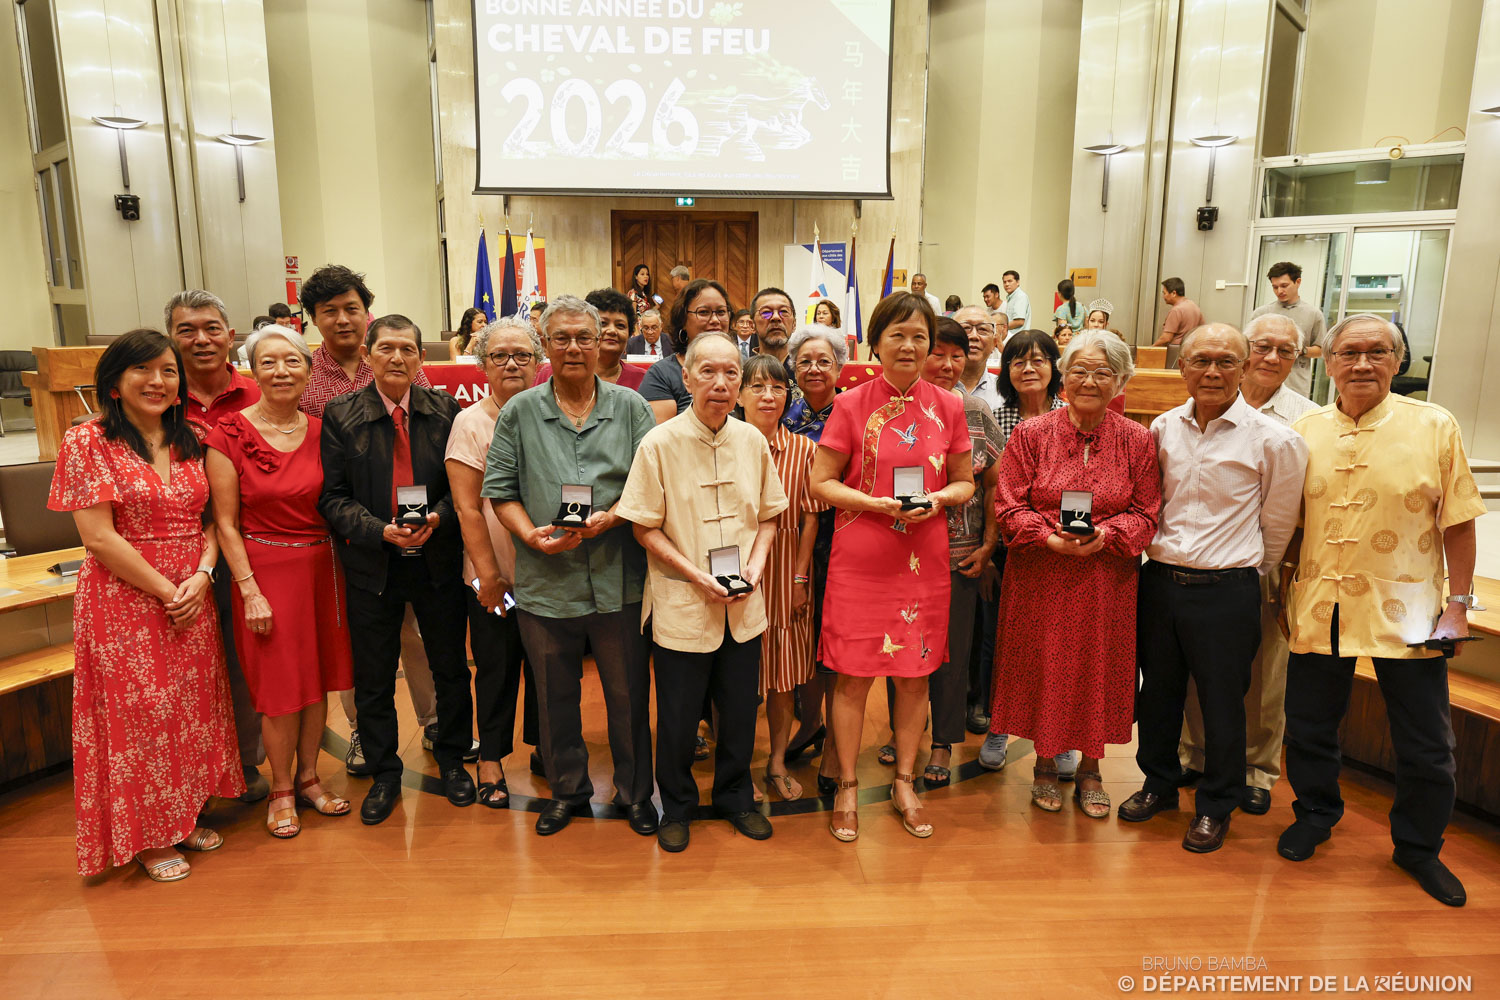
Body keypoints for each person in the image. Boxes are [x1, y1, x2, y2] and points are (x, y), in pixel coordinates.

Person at [1278, 314, 1485, 907]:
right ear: (1328, 361)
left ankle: (1419, 847)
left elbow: (1460, 520)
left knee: (1425, 742)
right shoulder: (1305, 429)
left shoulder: (1434, 425)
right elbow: (1288, 526)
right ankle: (1316, 813)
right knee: (1312, 726)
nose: (1362, 363)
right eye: (1349, 352)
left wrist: (1459, 607)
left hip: (1411, 608)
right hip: (1321, 603)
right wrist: (1281, 592)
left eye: (1377, 352)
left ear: (1399, 361)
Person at [48, 330, 244, 881]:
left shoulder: (194, 437)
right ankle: (148, 836)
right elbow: (99, 538)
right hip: (125, 597)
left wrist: (204, 575)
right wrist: (166, 588)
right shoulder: (87, 441)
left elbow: (212, 521)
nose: (158, 382)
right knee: (140, 714)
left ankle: (182, 818)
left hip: (193, 592)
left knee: (189, 708)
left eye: (168, 371)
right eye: (143, 371)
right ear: (114, 383)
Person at [1120, 324, 1307, 853]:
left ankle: (1216, 804)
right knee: (1158, 694)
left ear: (1245, 368)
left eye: (1227, 361)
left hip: (1227, 589)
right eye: (1201, 361)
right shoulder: (1160, 428)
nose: (1213, 372)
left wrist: (1240, 572)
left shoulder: (1276, 440)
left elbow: (1277, 526)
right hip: (1159, 583)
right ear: (1182, 368)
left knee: (1225, 703)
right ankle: (1158, 783)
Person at [487, 296, 658, 838]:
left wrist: (612, 517)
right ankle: (568, 791)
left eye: (584, 337)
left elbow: (648, 487)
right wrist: (528, 535)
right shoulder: (519, 411)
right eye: (561, 338)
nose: (574, 348)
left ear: (602, 341)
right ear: (546, 346)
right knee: (554, 698)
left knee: (628, 695)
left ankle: (634, 793)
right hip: (546, 581)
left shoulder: (631, 407)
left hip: (619, 577)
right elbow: (501, 492)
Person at [809, 292, 974, 842]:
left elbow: (965, 481)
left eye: (920, 336)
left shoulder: (949, 406)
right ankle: (849, 784)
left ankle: (905, 780)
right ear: (875, 342)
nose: (910, 345)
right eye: (898, 335)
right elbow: (821, 482)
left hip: (922, 561)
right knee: (853, 676)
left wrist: (942, 498)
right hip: (861, 558)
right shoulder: (851, 403)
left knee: (914, 676)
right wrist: (874, 503)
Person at [617, 332, 787, 852]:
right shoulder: (659, 443)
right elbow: (644, 527)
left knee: (739, 712)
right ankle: (679, 805)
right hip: (684, 605)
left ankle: (736, 797)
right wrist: (697, 575)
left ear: (740, 381)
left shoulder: (752, 441)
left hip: (743, 606)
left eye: (730, 373)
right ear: (685, 377)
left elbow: (769, 518)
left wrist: (755, 569)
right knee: (677, 716)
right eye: (707, 372)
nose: (720, 383)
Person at [988, 331, 1160, 816]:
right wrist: (1049, 538)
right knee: (1045, 665)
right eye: (1080, 370)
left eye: (1103, 372)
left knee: (1099, 669)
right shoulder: (1031, 434)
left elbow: (1148, 512)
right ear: (1063, 376)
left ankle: (1091, 768)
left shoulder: (1137, 440)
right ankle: (1044, 764)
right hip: (1041, 575)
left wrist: (1108, 536)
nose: (1089, 381)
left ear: (1121, 381)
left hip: (1107, 581)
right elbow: (1008, 505)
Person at [318, 314, 475, 824]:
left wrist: (439, 518)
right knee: (375, 675)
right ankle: (385, 772)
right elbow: (333, 498)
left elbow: (461, 490)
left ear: (420, 359)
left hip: (436, 558)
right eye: (386, 348)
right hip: (373, 563)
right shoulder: (341, 415)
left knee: (450, 667)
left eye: (408, 349)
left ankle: (453, 760)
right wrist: (377, 529)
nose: (397, 358)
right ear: (367, 355)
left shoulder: (446, 410)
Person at [205, 326, 355, 839]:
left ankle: (311, 777)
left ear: (308, 370)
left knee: (315, 686)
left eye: (291, 361)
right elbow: (224, 522)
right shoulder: (227, 433)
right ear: (252, 370)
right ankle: (282, 789)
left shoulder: (322, 428)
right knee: (278, 691)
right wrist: (248, 589)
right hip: (264, 572)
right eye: (267, 362)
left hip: (322, 569)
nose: (281, 371)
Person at [296, 265, 442, 775]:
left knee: (417, 634)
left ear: (367, 311)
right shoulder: (305, 375)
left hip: (414, 523)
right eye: (328, 312)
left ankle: (434, 720)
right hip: (342, 526)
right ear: (313, 319)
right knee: (364, 640)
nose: (341, 319)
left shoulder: (398, 354)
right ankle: (363, 731)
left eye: (350, 308)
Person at [1176, 313, 1317, 813]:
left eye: (1286, 350)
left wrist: (1263, 568)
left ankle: (1255, 768)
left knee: (1260, 674)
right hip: (1200, 564)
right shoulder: (1180, 416)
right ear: (1245, 351)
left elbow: (1285, 513)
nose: (1273, 358)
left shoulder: (1304, 419)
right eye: (1263, 346)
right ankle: (1195, 753)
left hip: (1262, 562)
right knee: (1198, 669)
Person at [166, 289, 266, 804]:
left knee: (245, 661)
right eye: (187, 330)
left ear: (231, 336)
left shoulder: (261, 392)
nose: (201, 339)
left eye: (211, 328)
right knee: (187, 670)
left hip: (251, 551)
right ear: (172, 340)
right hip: (179, 557)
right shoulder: (158, 396)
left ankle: (244, 764)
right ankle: (193, 775)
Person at [445, 316, 543, 809]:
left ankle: (547, 748)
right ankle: (491, 759)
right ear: (482, 363)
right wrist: (488, 576)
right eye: (500, 355)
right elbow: (466, 507)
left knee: (550, 668)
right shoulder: (471, 422)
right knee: (498, 667)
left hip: (550, 574)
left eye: (522, 355)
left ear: (539, 362)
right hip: (495, 576)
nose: (511, 363)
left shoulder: (551, 413)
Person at [974, 330, 1070, 762]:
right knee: (1004, 642)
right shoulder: (996, 416)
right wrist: (990, 549)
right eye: (1017, 362)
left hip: (1068, 548)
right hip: (1010, 545)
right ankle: (1000, 725)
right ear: (1006, 371)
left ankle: (1064, 734)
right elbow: (990, 491)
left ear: (1054, 367)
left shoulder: (1075, 414)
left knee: (1062, 644)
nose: (1028, 369)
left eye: (1038, 360)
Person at [913, 317, 1001, 786]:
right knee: (901, 648)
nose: (947, 365)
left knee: (951, 654)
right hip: (900, 553)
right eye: (938, 353)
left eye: (957, 355)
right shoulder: (894, 409)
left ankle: (943, 743)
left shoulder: (978, 412)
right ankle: (902, 732)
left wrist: (988, 545)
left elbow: (992, 484)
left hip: (960, 555)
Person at [735, 354, 824, 800]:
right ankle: (736, 767)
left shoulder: (806, 450)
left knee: (784, 676)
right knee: (734, 675)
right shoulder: (725, 444)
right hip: (734, 578)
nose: (768, 396)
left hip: (785, 570)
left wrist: (799, 579)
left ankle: (775, 762)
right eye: (757, 387)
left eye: (776, 387)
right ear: (739, 394)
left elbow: (810, 519)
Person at [781, 324, 849, 791]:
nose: (814, 369)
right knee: (803, 641)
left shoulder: (854, 413)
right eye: (804, 361)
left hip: (845, 539)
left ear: (840, 366)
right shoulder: (784, 414)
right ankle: (810, 724)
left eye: (824, 360)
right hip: (794, 541)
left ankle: (830, 747)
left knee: (835, 643)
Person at [639, 278, 732, 423]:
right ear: (683, 320)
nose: (715, 320)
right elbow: (660, 441)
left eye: (721, 312)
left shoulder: (746, 370)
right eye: (703, 312)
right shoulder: (661, 375)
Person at [533, 288, 646, 390]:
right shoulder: (550, 373)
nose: (612, 330)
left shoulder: (644, 379)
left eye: (620, 325)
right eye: (603, 323)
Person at [1249, 261, 1326, 399]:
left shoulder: (1313, 314)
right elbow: (1247, 346)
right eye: (1275, 287)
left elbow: (1321, 350)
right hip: (1263, 379)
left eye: (1284, 286)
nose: (1279, 291)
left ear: (1298, 282)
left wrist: (1300, 350)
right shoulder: (1261, 313)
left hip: (1296, 382)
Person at [952, 305, 1003, 414]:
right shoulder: (934, 386)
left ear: (994, 343)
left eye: (982, 329)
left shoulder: (1004, 391)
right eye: (965, 328)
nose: (974, 336)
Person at [751, 287, 796, 369]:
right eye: (766, 312)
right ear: (752, 325)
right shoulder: (743, 375)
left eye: (784, 311)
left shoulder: (804, 372)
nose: (776, 317)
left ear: (794, 324)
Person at [1154, 278, 1205, 347]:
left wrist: (1151, 348)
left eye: (1164, 293)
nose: (1163, 297)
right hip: (1190, 350)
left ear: (1174, 293)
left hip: (1176, 352)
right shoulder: (1194, 306)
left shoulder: (1176, 310)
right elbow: (1202, 330)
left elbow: (1166, 338)